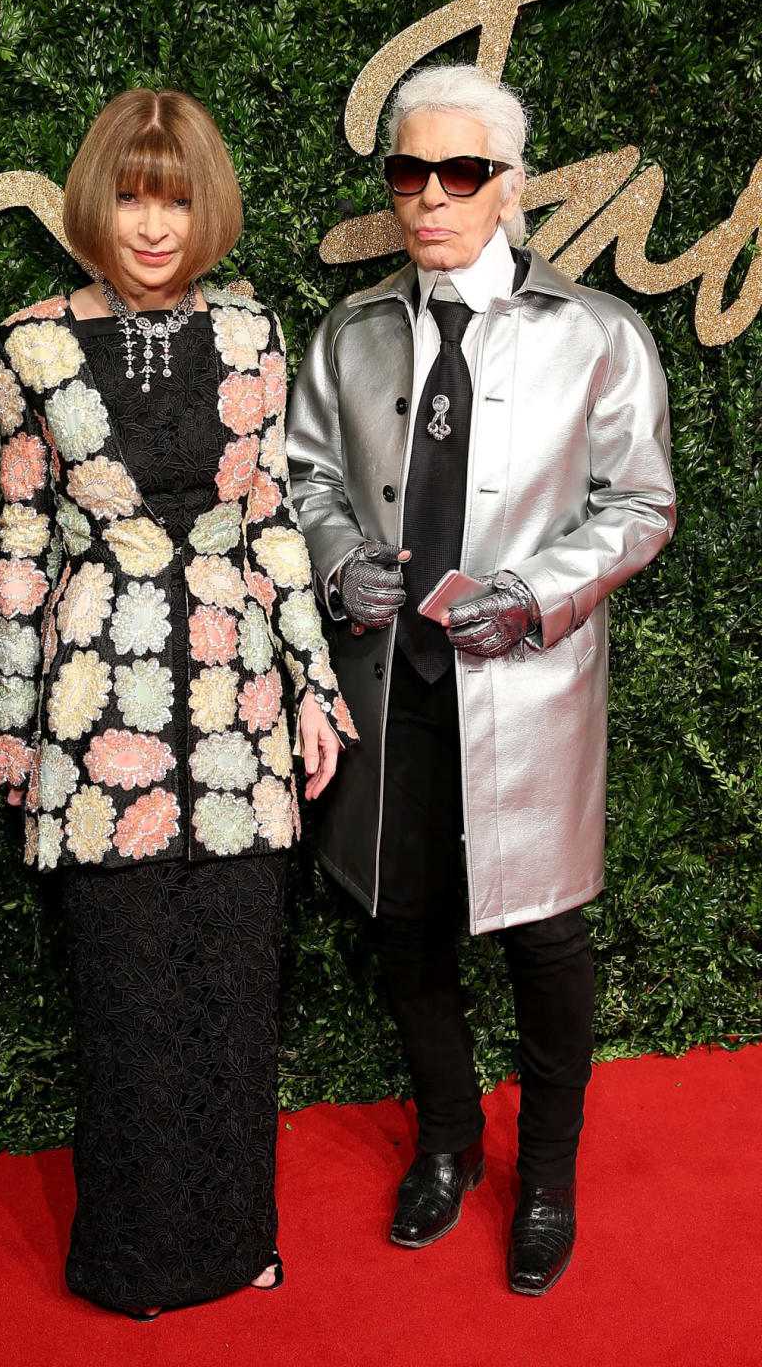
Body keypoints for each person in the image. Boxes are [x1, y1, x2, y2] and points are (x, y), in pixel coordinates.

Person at [286, 63, 674, 1295]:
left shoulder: (600, 333)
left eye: (462, 172)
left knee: (546, 939)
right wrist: (341, 562)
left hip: (533, 697)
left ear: (512, 184)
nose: (432, 197)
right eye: (410, 172)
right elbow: (307, 479)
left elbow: (642, 504)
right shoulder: (348, 335)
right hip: (389, 691)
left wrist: (536, 595)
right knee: (404, 932)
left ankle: (547, 1172)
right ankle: (448, 1138)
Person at [0, 88, 356, 1318]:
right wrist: (10, 722)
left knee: (240, 984)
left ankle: (240, 1238)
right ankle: (135, 1261)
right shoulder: (32, 343)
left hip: (240, 702)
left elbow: (270, 522)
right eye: (136, 194)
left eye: (179, 196)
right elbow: (24, 543)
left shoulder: (253, 334)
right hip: (103, 714)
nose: (154, 223)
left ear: (208, 209)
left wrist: (312, 683)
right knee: (131, 990)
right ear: (100, 199)